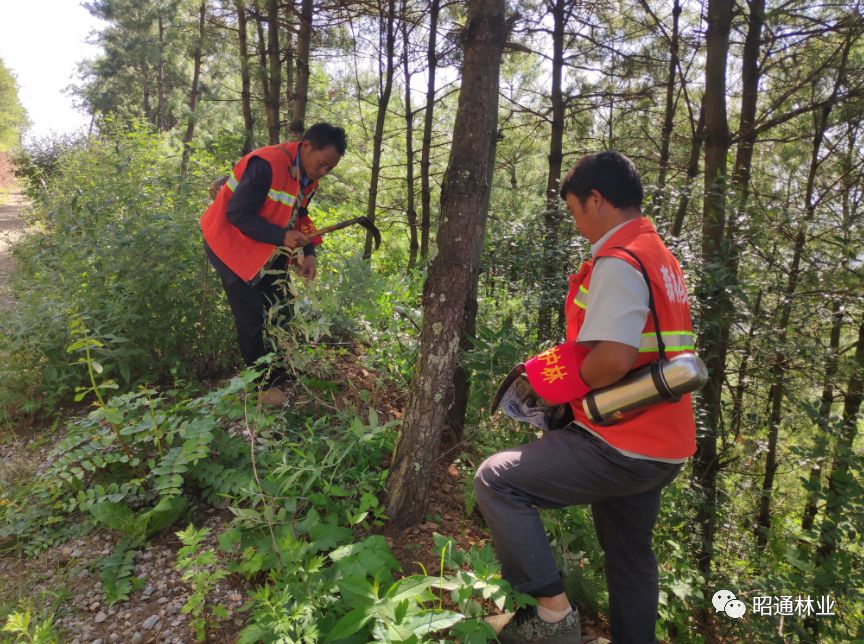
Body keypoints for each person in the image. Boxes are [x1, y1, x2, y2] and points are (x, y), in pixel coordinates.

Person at [477, 151, 696, 643]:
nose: (577, 224)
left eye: (576, 210)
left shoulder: (620, 260)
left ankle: (554, 618)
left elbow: (613, 360)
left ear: (596, 199)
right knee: (629, 554)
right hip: (665, 442)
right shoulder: (659, 255)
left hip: (621, 438)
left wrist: (561, 384)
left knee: (497, 481)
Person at [200, 123, 347, 406]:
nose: (324, 172)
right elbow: (237, 213)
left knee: (282, 307)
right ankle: (262, 386)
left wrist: (309, 252)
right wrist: (281, 236)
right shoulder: (268, 164)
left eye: (330, 169)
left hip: (263, 244)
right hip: (227, 242)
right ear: (307, 146)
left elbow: (299, 214)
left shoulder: (308, 177)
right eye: (322, 164)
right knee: (251, 316)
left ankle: (280, 370)